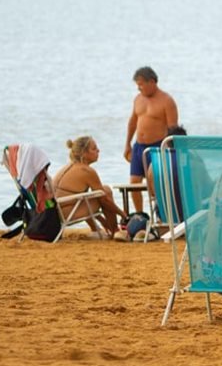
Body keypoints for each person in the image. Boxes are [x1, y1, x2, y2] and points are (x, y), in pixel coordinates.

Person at [123, 66, 178, 213]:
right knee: (134, 182)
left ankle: (160, 212)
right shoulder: (138, 100)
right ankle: (140, 214)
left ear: (152, 82)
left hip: (157, 146)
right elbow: (133, 122)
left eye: (141, 84)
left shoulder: (167, 101)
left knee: (156, 182)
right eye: (137, 85)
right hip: (139, 146)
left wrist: (169, 150)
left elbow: (173, 128)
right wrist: (127, 144)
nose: (139, 88)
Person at [54, 136, 128, 239]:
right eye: (94, 149)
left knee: (99, 193)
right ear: (84, 154)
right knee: (105, 191)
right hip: (68, 214)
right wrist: (123, 214)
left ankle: (97, 229)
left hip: (57, 213)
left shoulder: (68, 167)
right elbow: (104, 200)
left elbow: (80, 197)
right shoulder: (86, 171)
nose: (98, 150)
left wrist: (102, 221)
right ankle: (115, 230)